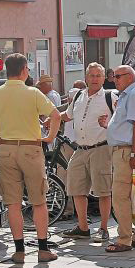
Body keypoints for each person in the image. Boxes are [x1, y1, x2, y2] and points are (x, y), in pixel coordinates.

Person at [0, 53, 61, 263]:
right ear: (24, 70)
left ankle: (19, 251)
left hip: (6, 149)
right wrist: (49, 137)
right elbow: (55, 115)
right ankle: (42, 249)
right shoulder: (33, 93)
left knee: (12, 203)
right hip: (30, 149)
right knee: (38, 201)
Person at [60, 63, 115, 242]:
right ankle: (83, 228)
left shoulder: (110, 96)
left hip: (101, 148)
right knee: (76, 189)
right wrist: (49, 119)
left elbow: (122, 117)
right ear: (86, 77)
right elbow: (67, 115)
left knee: (103, 190)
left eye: (98, 75)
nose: (94, 79)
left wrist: (110, 121)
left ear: (104, 78)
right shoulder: (78, 96)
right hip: (80, 148)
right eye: (91, 75)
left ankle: (104, 228)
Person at [99, 65, 135, 253]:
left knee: (121, 197)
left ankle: (124, 239)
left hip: (126, 152)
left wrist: (134, 153)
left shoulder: (134, 94)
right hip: (126, 150)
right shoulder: (127, 95)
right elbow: (127, 126)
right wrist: (109, 126)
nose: (114, 80)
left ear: (129, 77)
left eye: (117, 76)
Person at [58, 79, 86, 221]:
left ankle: (69, 210)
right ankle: (69, 209)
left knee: (68, 178)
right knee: (68, 178)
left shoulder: (79, 105)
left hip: (73, 145)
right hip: (68, 143)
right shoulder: (75, 106)